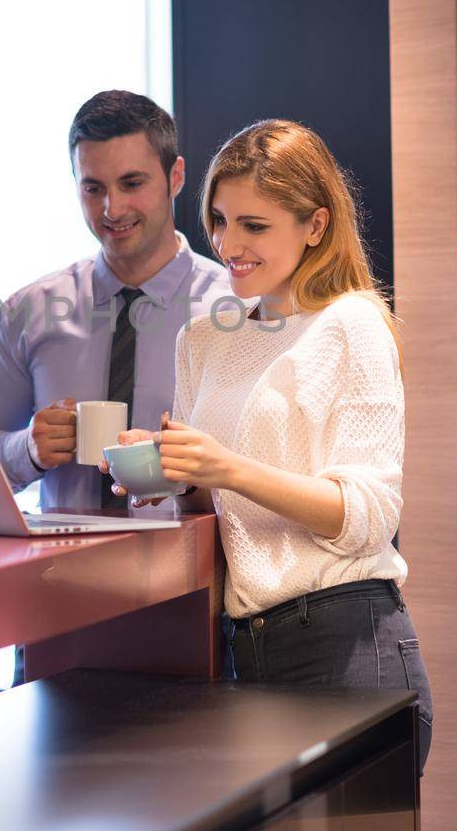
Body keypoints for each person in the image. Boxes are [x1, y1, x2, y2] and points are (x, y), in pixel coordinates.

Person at [105, 118, 433, 773]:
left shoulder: (351, 324)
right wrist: (167, 471)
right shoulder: (204, 339)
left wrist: (225, 465)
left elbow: (368, 520)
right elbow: (214, 497)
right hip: (243, 650)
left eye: (254, 226)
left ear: (315, 224)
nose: (229, 245)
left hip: (347, 646)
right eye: (220, 221)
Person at [0, 90, 236, 514]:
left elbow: (270, 466)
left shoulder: (238, 311)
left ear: (176, 177)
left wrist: (184, 465)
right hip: (58, 575)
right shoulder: (29, 313)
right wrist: (28, 449)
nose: (112, 208)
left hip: (192, 574)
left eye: (132, 183)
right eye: (94, 188)